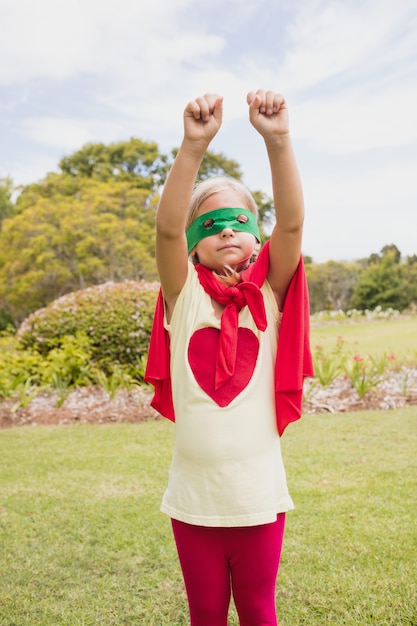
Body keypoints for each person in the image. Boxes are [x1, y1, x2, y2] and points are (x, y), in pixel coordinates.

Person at [145, 90, 313, 626]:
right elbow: (167, 228)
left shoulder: (270, 295)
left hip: (258, 494)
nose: (226, 231)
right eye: (212, 225)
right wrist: (194, 148)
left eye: (239, 223)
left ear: (255, 237)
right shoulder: (185, 296)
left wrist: (278, 140)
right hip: (193, 499)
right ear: (194, 246)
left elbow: (290, 226)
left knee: (260, 611)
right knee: (206, 614)